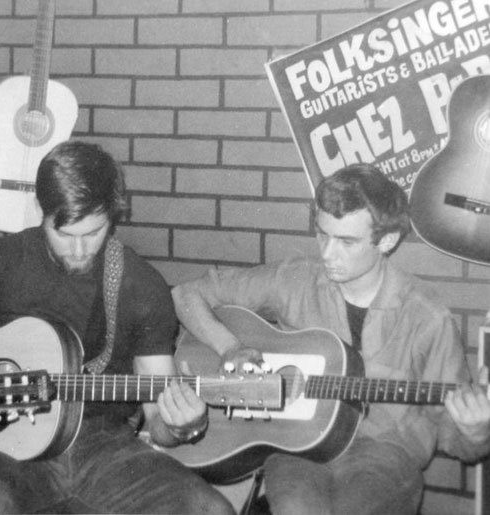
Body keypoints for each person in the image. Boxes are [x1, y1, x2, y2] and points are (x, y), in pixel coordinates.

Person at [0, 140, 235, 514]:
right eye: (64, 234)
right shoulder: (1, 261)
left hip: (106, 449)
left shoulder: (142, 286)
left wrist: (180, 426)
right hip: (6, 449)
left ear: (113, 213)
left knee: (210, 510)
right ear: (40, 210)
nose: (79, 251)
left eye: (93, 233)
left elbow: (158, 421)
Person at [171, 164, 490, 515]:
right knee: (296, 509)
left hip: (384, 454)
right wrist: (230, 347)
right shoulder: (296, 279)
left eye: (346, 242)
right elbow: (186, 294)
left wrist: (476, 431)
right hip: (297, 446)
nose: (326, 254)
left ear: (386, 240)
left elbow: (461, 443)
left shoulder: (428, 318)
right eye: (323, 235)